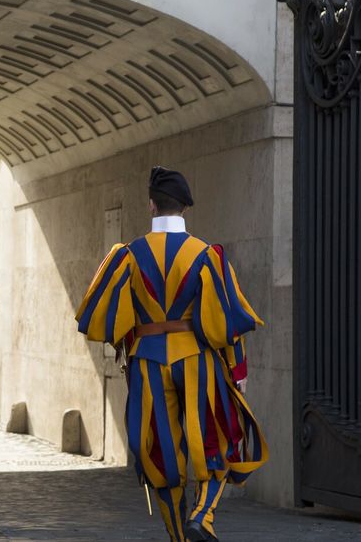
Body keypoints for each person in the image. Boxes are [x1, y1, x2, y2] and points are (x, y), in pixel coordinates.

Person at [74, 167, 268, 542]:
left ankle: (179, 536)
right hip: (197, 358)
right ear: (185, 207)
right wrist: (238, 368)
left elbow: (107, 316)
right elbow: (226, 317)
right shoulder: (206, 254)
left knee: (160, 454)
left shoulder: (128, 255)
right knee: (215, 439)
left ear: (151, 205)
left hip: (148, 360)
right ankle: (203, 516)